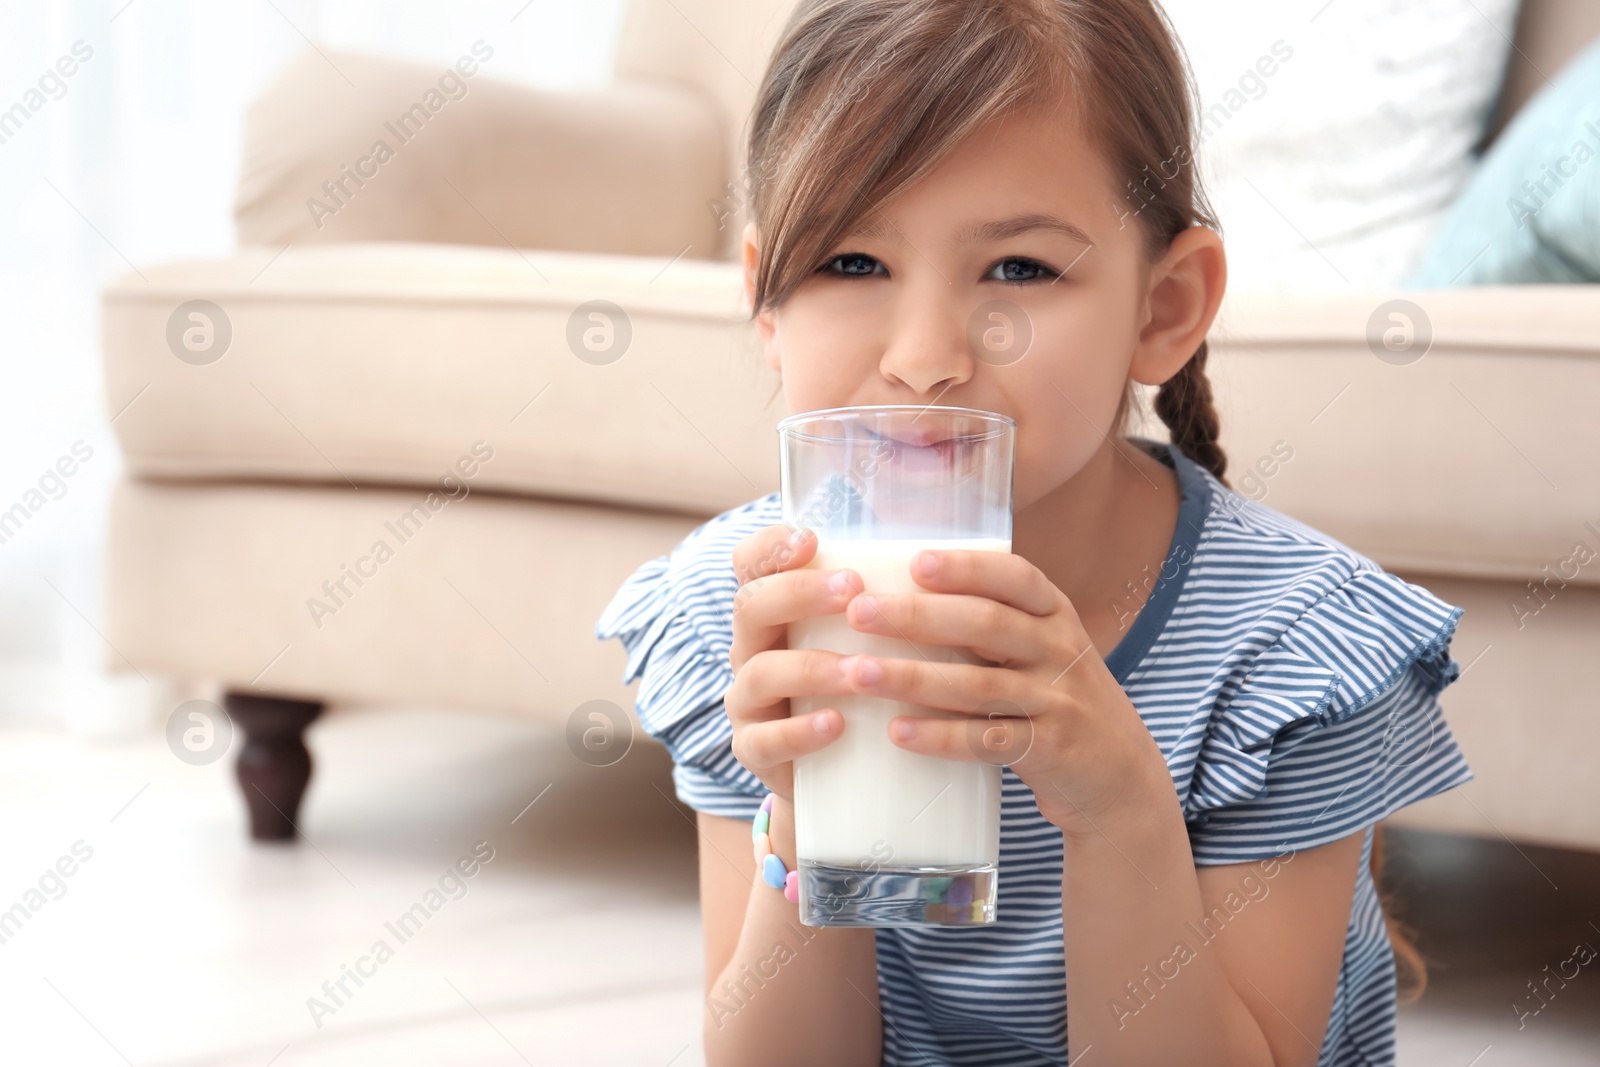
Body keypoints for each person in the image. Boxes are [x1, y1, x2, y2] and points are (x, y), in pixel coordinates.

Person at [595, 1, 1473, 1063]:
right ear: (766, 308)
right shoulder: (737, 614)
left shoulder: (1283, 651)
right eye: (851, 264)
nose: (924, 357)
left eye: (1017, 269)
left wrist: (1119, 813)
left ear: (1163, 308)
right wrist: (800, 820)